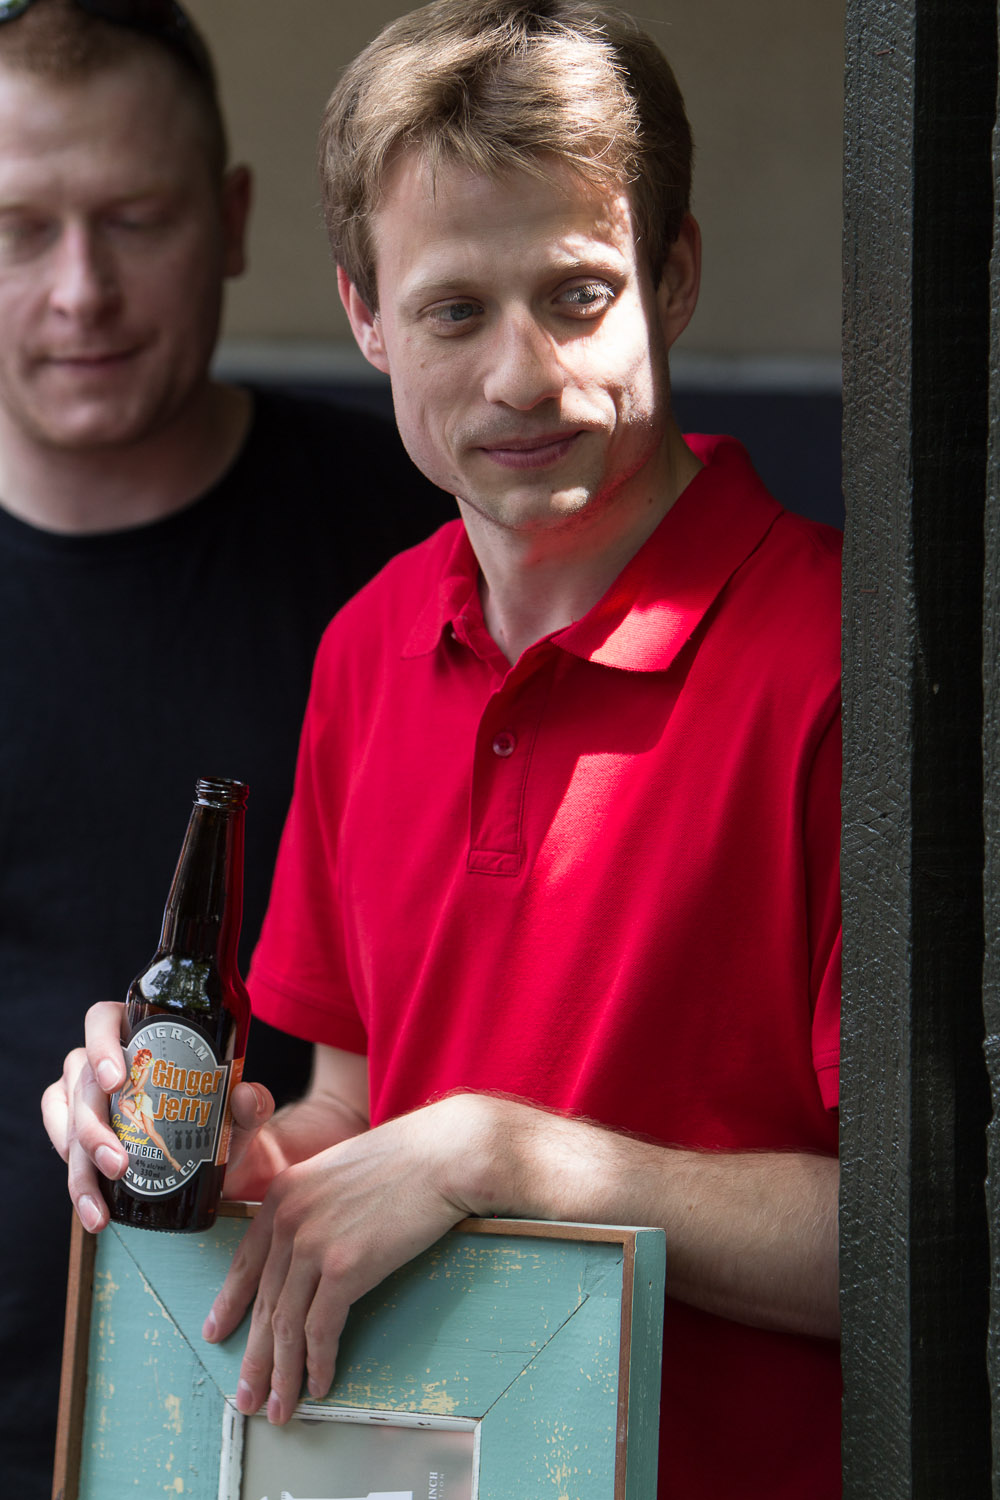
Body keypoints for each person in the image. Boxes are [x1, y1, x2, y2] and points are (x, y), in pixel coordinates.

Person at [43, 3, 843, 1497]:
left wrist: (503, 1156)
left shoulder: (836, 658)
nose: (522, 376)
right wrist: (213, 1159)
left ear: (674, 277)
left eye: (578, 294)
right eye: (454, 311)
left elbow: (924, 1244)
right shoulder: (366, 645)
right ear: (365, 316)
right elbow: (354, 1114)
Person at [7, 1, 452, 1494]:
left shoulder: (419, 540)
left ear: (236, 218)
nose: (81, 290)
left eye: (136, 220)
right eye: (19, 230)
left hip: (320, 1410)